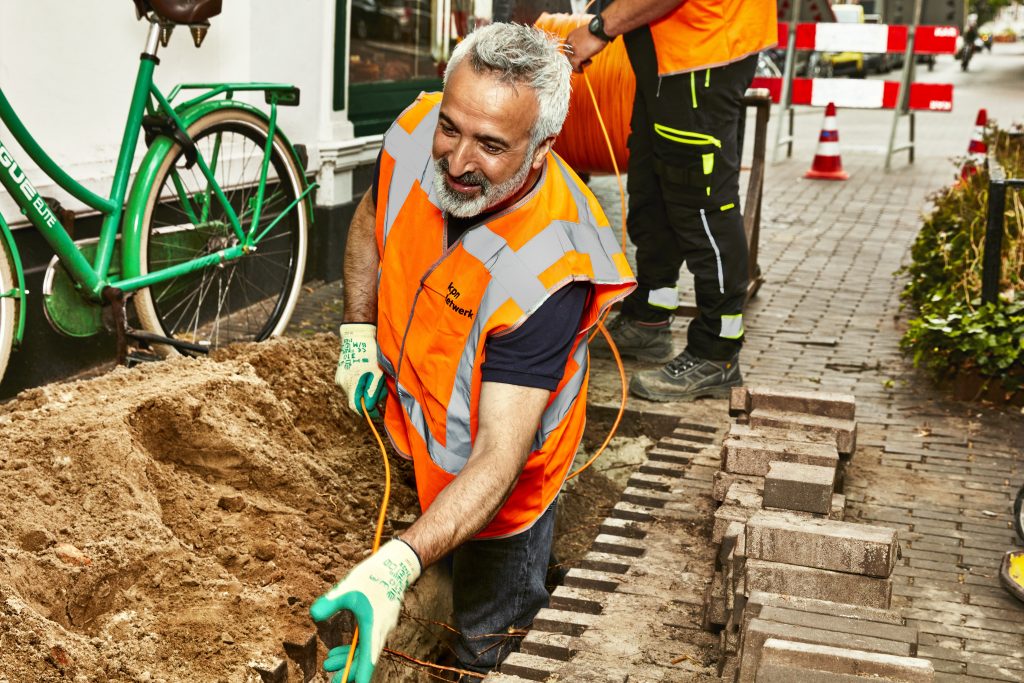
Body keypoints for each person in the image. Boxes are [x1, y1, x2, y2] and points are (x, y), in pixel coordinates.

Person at [315, 22, 636, 682]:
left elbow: (498, 454)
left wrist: (400, 562)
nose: (458, 160)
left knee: (490, 638)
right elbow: (372, 220)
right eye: (452, 126)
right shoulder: (412, 134)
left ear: (542, 147)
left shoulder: (551, 265)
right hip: (425, 439)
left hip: (503, 491)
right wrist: (356, 329)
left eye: (491, 146)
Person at [566, 0, 777, 401]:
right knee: (653, 191)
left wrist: (599, 28)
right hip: (667, 62)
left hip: (702, 58)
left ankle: (717, 352)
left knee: (702, 205)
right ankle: (649, 318)